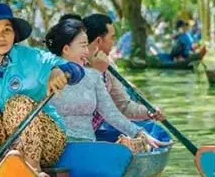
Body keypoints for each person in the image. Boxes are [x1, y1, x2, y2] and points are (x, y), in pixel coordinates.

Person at [0, 3, 84, 177]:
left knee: (17, 103)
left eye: (7, 29)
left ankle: (32, 171)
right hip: (3, 149)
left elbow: (77, 70)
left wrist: (59, 72)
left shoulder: (33, 57)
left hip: (46, 143)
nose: (1, 36)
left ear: (14, 34)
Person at [45, 18, 164, 152]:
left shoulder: (93, 75)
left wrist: (139, 133)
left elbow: (111, 113)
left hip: (87, 146)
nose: (86, 51)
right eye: (83, 45)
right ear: (66, 49)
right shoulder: (45, 74)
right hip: (54, 148)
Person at [81, 13, 167, 141]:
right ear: (99, 41)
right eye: (112, 38)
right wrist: (96, 72)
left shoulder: (109, 67)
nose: (113, 43)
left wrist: (149, 112)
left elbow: (124, 107)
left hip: (90, 137)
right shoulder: (73, 64)